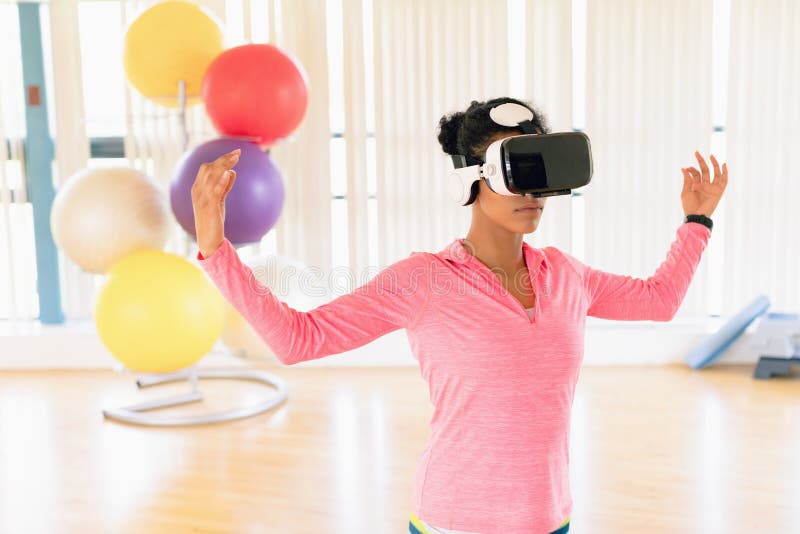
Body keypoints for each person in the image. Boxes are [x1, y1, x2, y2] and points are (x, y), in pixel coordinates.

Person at [191, 96, 728, 534]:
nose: (531, 192)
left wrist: (697, 219)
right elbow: (297, 339)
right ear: (470, 178)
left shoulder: (567, 274)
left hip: (550, 517)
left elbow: (660, 299)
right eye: (511, 169)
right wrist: (216, 250)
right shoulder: (422, 280)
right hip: (455, 521)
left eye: (536, 169)